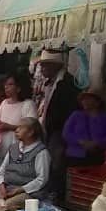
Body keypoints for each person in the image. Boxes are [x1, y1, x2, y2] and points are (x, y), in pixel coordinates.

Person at [36, 49, 80, 197]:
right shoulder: (49, 83)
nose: (42, 70)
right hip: (49, 129)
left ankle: (57, 195)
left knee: (57, 164)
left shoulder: (67, 83)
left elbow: (68, 110)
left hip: (60, 131)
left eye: (45, 66)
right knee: (48, 163)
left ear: (55, 66)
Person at [0, 117, 50, 211]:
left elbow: (41, 179)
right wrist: (1, 187)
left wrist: (20, 189)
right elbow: (1, 171)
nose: (16, 130)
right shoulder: (13, 148)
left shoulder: (41, 152)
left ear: (30, 132)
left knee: (2, 207)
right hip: (8, 189)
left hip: (29, 193)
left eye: (21, 128)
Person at [0, 73, 37, 167]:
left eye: (10, 84)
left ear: (19, 88)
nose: (6, 87)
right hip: (2, 148)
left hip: (20, 149)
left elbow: (32, 127)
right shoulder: (4, 103)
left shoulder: (28, 104)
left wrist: (9, 127)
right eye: (6, 84)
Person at [63, 92, 106, 166]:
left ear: (97, 102)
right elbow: (66, 134)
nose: (84, 101)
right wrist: (81, 142)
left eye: (88, 99)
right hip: (75, 156)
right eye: (83, 99)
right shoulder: (76, 115)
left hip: (97, 157)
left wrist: (96, 143)